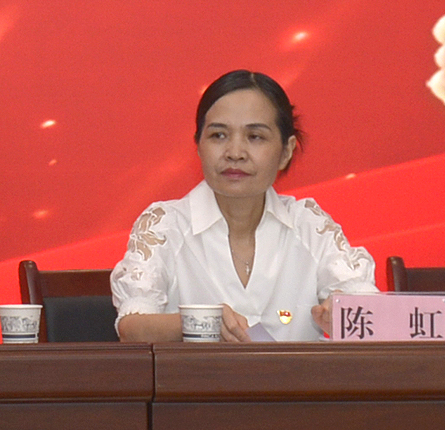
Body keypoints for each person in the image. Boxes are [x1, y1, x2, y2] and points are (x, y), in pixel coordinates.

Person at [113, 70, 376, 342]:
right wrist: (202, 322)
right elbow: (131, 327)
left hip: (297, 373)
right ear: (198, 146)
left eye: (255, 137)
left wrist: (345, 314)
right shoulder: (164, 226)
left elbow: (373, 312)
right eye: (218, 135)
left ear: (286, 151)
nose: (235, 153)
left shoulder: (309, 225)